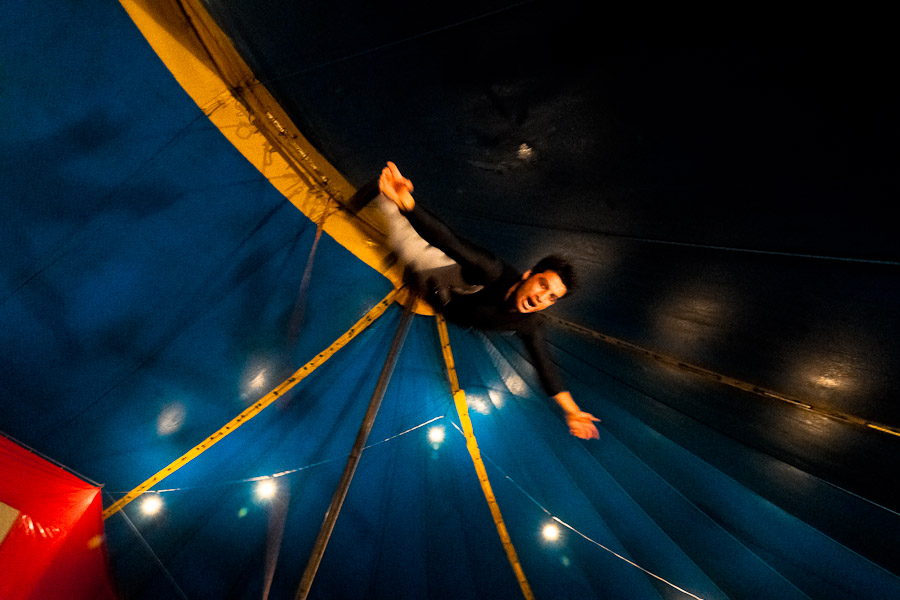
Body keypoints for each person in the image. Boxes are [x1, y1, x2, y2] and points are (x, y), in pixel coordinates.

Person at [370, 161, 600, 440]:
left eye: (551, 297)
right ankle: (385, 197)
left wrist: (572, 411)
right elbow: (448, 241)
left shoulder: (531, 324)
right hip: (436, 272)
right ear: (528, 275)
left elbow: (546, 369)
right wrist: (406, 203)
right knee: (405, 243)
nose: (541, 297)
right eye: (542, 284)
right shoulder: (491, 270)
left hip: (444, 303)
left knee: (419, 275)